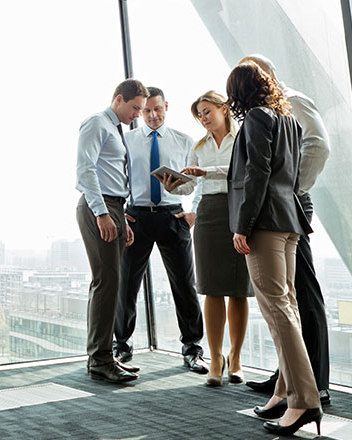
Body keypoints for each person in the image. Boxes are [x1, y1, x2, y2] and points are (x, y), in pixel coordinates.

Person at [226, 62, 322, 436]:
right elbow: (291, 175)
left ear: (238, 92)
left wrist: (242, 225)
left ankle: (303, 401)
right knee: (289, 306)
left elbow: (257, 174)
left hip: (264, 223)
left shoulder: (254, 118)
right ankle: (283, 393)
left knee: (277, 309)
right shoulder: (288, 120)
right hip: (289, 221)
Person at [113, 86, 208, 375]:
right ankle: (122, 345)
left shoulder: (184, 141)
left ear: (166, 106)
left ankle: (192, 348)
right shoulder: (126, 140)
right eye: (146, 111)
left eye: (157, 109)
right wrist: (121, 213)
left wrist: (193, 211)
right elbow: (117, 178)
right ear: (139, 112)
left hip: (172, 215)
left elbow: (198, 179)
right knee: (126, 284)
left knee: (184, 284)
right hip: (136, 217)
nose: (152, 115)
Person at [159, 91, 251, 386]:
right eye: (199, 114)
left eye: (207, 111)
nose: (203, 118)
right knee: (211, 288)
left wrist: (206, 171)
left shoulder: (242, 140)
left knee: (238, 289)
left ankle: (235, 357)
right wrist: (175, 187)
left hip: (238, 210)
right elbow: (192, 187)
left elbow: (245, 173)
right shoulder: (198, 146)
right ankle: (215, 358)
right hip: (209, 213)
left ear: (224, 109)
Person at [76, 79, 147, 384]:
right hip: (100, 207)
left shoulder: (116, 129)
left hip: (116, 208)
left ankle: (104, 354)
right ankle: (100, 360)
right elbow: (86, 169)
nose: (138, 115)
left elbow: (115, 173)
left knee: (112, 283)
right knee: (106, 282)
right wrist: (103, 213)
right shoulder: (96, 123)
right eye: (135, 108)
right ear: (119, 99)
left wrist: (122, 219)